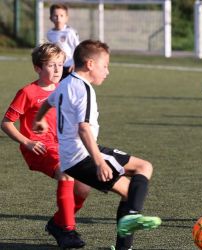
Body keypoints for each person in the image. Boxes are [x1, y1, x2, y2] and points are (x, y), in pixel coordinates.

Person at [33, 40, 161, 250]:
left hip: (75, 155)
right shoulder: (84, 89)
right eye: (105, 66)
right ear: (90, 64)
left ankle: (130, 223)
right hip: (82, 157)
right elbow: (84, 128)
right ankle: (131, 221)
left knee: (142, 170)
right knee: (133, 189)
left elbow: (49, 101)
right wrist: (99, 162)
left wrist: (39, 119)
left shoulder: (66, 82)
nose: (107, 72)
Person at [1, 43, 90, 248]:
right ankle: (67, 230)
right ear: (38, 68)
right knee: (66, 172)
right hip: (38, 148)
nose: (58, 69)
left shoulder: (65, 88)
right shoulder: (28, 92)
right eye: (51, 65)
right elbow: (6, 123)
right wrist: (28, 142)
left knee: (84, 187)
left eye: (60, 64)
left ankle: (57, 223)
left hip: (63, 146)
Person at [47, 3, 79, 80]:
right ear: (51, 18)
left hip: (70, 66)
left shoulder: (70, 32)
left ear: (66, 18)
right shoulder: (49, 34)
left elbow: (78, 48)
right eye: (55, 16)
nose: (58, 18)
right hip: (57, 66)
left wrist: (76, 63)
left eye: (61, 16)